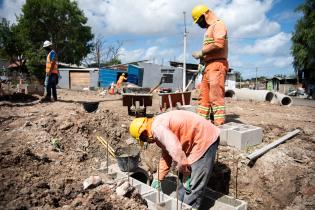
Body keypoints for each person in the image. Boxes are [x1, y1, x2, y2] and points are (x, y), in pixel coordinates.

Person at [129, 110, 220, 210]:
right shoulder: (157, 126)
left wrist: (185, 170)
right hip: (193, 140)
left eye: (144, 140)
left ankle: (190, 207)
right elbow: (167, 153)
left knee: (193, 186)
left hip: (204, 139)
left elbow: (175, 148)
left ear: (143, 133)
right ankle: (180, 205)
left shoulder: (157, 129)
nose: (147, 142)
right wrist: (158, 178)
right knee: (183, 185)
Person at [191, 5, 229, 126]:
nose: (199, 25)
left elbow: (219, 44)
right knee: (204, 97)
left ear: (204, 15)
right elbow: (210, 48)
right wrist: (202, 62)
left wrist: (201, 53)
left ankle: (219, 124)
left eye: (199, 21)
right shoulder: (209, 29)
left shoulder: (219, 25)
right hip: (208, 66)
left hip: (217, 65)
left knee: (215, 96)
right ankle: (202, 124)